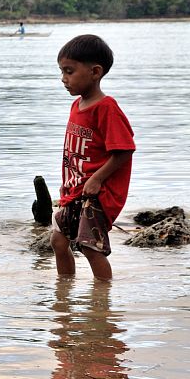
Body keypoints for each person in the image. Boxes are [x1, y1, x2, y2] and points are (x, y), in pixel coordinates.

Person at [52, 34, 135, 280]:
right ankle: (64, 292)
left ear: (95, 71)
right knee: (58, 240)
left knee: (91, 247)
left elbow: (124, 149)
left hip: (97, 194)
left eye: (69, 71)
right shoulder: (77, 106)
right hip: (75, 190)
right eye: (62, 72)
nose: (63, 79)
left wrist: (97, 179)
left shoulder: (106, 108)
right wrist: (67, 184)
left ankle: (102, 303)